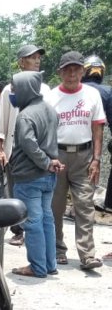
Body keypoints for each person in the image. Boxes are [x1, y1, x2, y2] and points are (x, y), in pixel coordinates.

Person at [46, 51, 105, 270]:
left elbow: (97, 128)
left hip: (84, 157)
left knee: (85, 205)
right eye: (67, 70)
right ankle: (58, 250)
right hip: (58, 156)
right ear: (60, 72)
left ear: (83, 71)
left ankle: (87, 255)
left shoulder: (91, 95)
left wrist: (96, 160)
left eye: (76, 69)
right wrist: (49, 158)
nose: (72, 74)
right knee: (55, 207)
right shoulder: (51, 97)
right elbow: (46, 130)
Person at [9, 71, 64, 278]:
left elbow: (29, 144)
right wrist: (50, 163)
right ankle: (50, 265)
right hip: (48, 178)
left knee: (32, 223)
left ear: (25, 89)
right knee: (46, 220)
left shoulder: (25, 116)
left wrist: (46, 163)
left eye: (14, 89)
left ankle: (37, 267)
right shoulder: (50, 110)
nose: (12, 93)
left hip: (29, 177)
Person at [0, 43, 50, 247]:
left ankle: (36, 232)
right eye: (31, 57)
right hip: (15, 151)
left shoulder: (45, 89)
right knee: (16, 192)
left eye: (38, 57)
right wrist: (0, 150)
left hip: (37, 150)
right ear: (21, 62)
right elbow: (2, 121)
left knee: (35, 193)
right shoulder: (10, 89)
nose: (36, 60)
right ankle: (18, 230)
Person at [81, 55, 112, 213]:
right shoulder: (108, 92)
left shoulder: (74, 88)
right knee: (90, 175)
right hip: (94, 142)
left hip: (71, 142)